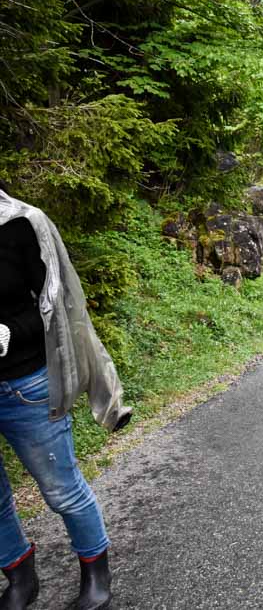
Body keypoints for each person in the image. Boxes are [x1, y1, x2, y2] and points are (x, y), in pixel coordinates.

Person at [0, 183, 132, 610]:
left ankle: (97, 575)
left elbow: (54, 306)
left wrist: (7, 332)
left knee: (61, 489)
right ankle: (20, 576)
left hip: (25, 385)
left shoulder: (23, 224)